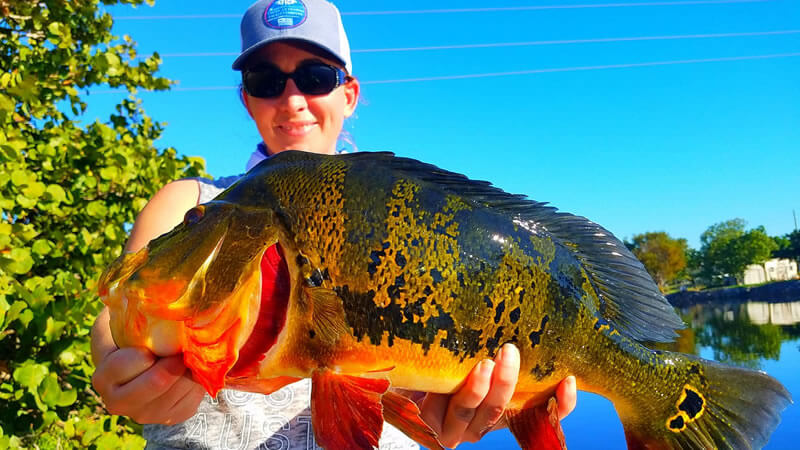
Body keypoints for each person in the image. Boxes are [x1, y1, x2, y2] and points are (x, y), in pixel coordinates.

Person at [90, 1, 578, 448]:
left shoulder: (404, 214)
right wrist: (118, 367)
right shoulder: (195, 203)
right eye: (266, 80)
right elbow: (119, 313)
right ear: (246, 99)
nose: (293, 98)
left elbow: (422, 410)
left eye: (316, 76)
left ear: (349, 93)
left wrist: (453, 416)